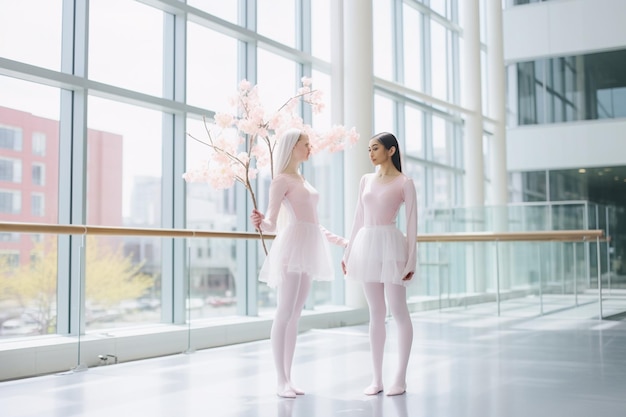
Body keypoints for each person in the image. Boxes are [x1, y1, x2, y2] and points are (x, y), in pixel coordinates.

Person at [251, 128, 347, 399]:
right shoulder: (281, 180)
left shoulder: (302, 179)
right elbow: (271, 224)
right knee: (284, 313)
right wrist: (260, 221)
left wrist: (341, 242)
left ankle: (289, 378)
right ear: (293, 146)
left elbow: (314, 223)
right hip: (292, 248)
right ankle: (280, 380)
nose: (310, 148)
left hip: (308, 247)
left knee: (295, 316)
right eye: (306, 144)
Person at [342, 132, 417, 397]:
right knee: (375, 312)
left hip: (392, 245)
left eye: (375, 148)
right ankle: (376, 379)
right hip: (366, 245)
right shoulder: (366, 180)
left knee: (398, 311)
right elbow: (357, 218)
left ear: (391, 150)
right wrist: (348, 252)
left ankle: (400, 378)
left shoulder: (404, 183)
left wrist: (411, 259)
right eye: (369, 149)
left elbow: (411, 224)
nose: (371, 153)